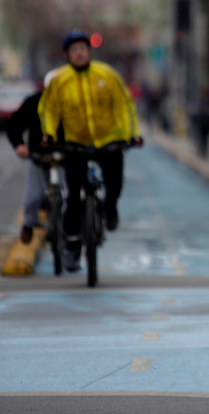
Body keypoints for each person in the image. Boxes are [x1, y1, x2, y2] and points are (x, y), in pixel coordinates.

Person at [38, 30, 143, 271]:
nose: (79, 53)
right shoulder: (59, 80)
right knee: (73, 197)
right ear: (67, 55)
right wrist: (49, 134)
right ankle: (73, 247)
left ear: (89, 51)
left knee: (114, 180)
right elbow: (49, 110)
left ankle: (110, 208)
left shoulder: (107, 74)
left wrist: (132, 134)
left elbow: (124, 104)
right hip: (75, 143)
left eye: (83, 49)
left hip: (109, 140)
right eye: (74, 50)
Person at [6, 87, 47, 244]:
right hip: (37, 156)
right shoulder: (33, 102)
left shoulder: (71, 101)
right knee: (33, 197)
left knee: (72, 195)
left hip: (66, 155)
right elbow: (14, 124)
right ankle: (28, 224)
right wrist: (19, 145)